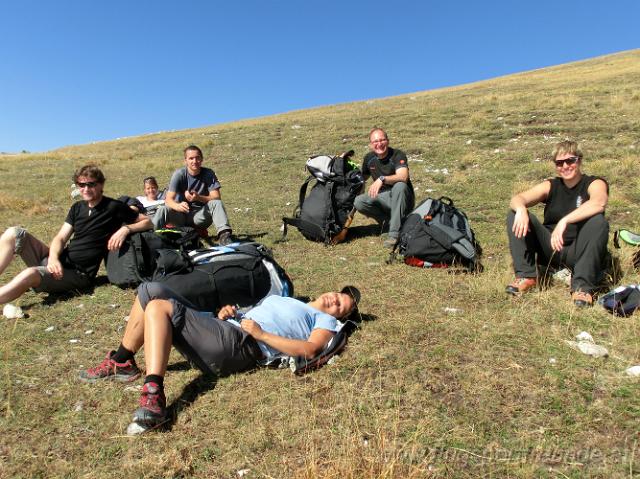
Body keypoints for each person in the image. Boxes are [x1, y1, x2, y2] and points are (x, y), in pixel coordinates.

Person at [79, 283, 361, 432]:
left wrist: (261, 335)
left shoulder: (323, 321)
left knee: (157, 308)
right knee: (149, 289)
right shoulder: (293, 300)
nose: (333, 301)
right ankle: (123, 360)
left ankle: (154, 397)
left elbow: (309, 350)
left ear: (340, 317)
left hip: (242, 346)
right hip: (228, 327)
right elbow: (252, 314)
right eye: (337, 295)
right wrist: (231, 312)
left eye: (340, 307)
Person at [0, 165, 152, 307]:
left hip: (78, 274)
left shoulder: (114, 207)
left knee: (30, 273)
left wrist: (125, 229)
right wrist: (53, 258)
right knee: (15, 233)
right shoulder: (77, 207)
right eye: (81, 185)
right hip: (57, 261)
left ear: (101, 185)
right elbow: (60, 238)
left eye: (91, 184)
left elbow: (148, 222)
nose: (86, 189)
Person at [505, 140, 609, 307]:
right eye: (559, 163)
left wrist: (564, 221)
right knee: (514, 214)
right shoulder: (551, 185)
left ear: (579, 160)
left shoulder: (594, 183)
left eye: (570, 160)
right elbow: (518, 199)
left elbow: (599, 202)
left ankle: (582, 288)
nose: (565, 166)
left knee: (598, 221)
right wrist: (521, 209)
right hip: (552, 248)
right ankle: (526, 276)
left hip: (579, 251)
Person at [152, 145, 233, 245]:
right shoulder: (179, 174)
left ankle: (224, 236)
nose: (194, 161)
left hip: (199, 217)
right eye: (191, 158)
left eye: (197, 157)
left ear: (202, 159)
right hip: (180, 216)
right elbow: (168, 200)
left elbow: (216, 197)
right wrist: (178, 206)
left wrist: (198, 197)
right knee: (163, 209)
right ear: (185, 160)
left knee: (216, 203)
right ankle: (150, 237)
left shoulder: (208, 173)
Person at [354, 128, 415, 249]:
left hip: (403, 199)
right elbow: (362, 179)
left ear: (388, 141)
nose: (379, 144)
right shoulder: (369, 158)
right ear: (371, 144)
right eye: (375, 141)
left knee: (400, 186)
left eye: (382, 140)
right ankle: (388, 224)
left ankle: (394, 235)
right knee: (359, 201)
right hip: (383, 199)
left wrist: (382, 179)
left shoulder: (398, 155)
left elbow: (403, 177)